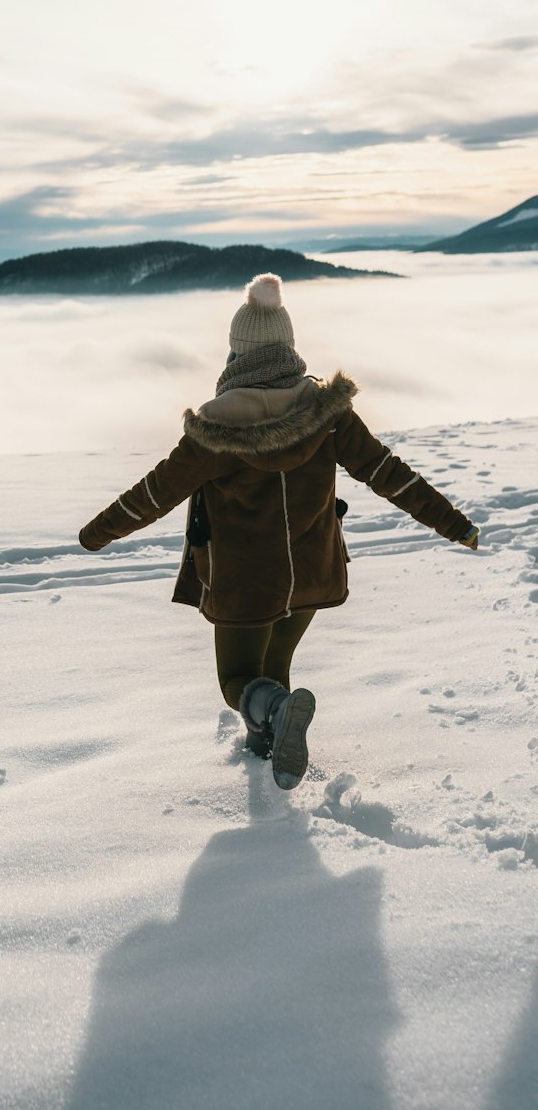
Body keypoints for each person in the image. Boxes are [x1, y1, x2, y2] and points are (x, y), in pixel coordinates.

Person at [77, 272, 479, 791]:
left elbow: (154, 495)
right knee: (274, 669)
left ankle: (275, 728)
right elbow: (389, 474)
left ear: (235, 354)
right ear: (289, 347)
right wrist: (457, 525)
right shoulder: (328, 414)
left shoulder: (215, 431)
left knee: (238, 681)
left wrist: (95, 534)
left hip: (247, 586)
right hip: (312, 576)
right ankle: (272, 759)